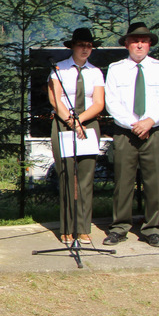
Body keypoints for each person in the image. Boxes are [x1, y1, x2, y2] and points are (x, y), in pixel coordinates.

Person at [103, 22, 159, 248]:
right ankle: (119, 228)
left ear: (149, 45)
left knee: (154, 183)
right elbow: (111, 101)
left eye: (144, 41)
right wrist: (134, 125)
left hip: (154, 131)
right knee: (122, 182)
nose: (139, 45)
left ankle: (152, 229)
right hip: (125, 132)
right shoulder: (116, 69)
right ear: (127, 44)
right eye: (135, 41)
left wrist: (149, 121)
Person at [48, 27, 105, 245]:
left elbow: (98, 103)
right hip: (64, 123)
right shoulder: (59, 69)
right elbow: (55, 99)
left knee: (86, 178)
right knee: (66, 175)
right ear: (73, 46)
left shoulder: (95, 72)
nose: (85, 49)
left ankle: (83, 227)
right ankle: (66, 227)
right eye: (81, 45)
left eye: (89, 46)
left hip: (88, 124)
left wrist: (81, 121)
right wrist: (72, 122)